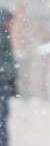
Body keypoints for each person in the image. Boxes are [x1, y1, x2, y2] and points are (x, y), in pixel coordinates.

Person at [0, 8, 16, 146]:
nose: (11, 24)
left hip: (5, 82)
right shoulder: (2, 37)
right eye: (9, 21)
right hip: (2, 82)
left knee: (4, 115)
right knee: (2, 116)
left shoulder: (5, 36)